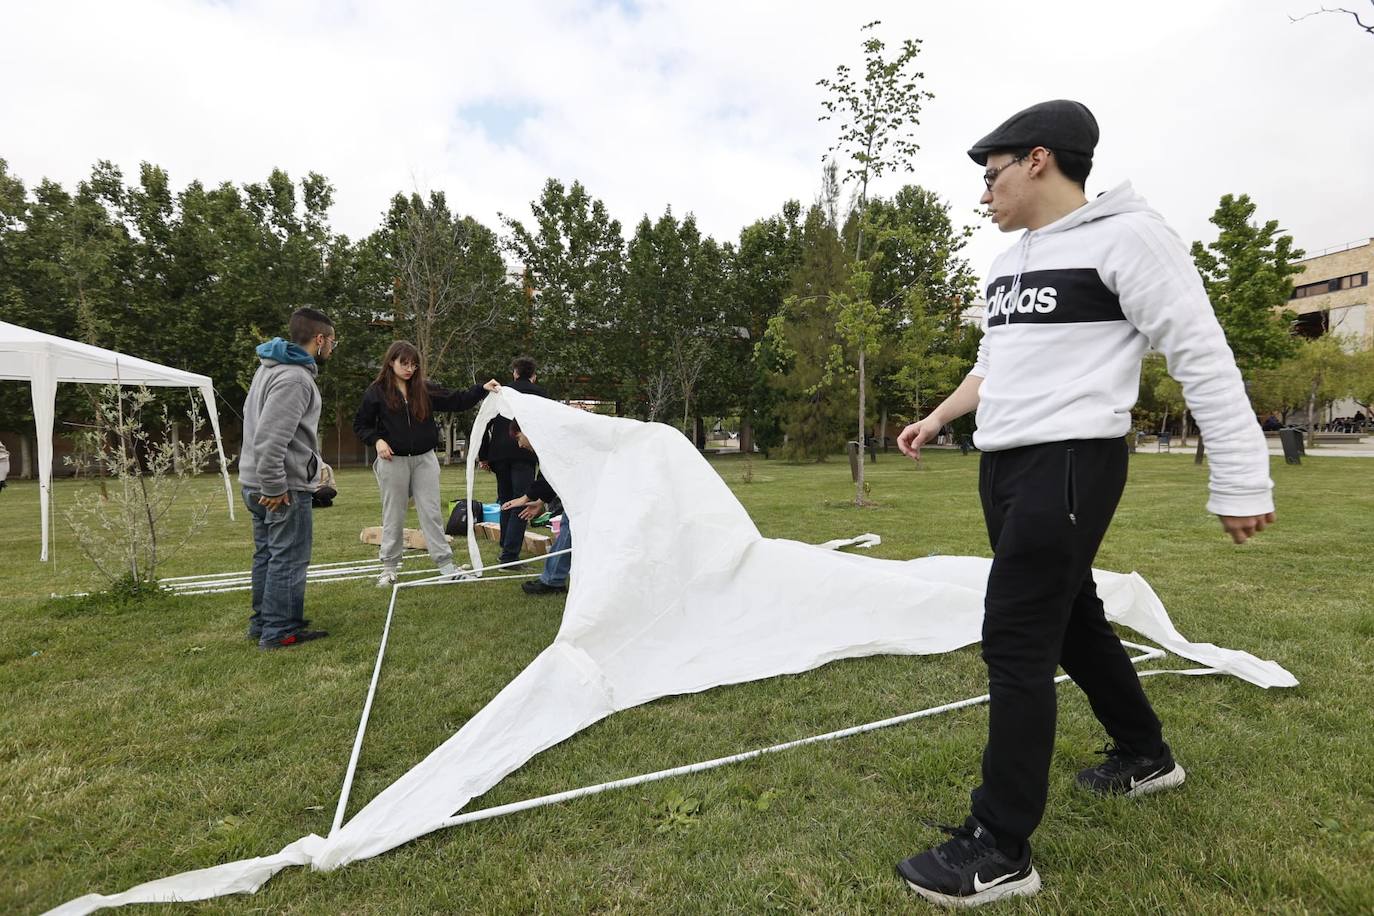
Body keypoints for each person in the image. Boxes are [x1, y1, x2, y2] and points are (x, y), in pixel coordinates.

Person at [892, 100, 1276, 908]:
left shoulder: (1130, 237)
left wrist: (1241, 480)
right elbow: (992, 364)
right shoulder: (1008, 264)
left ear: (1038, 160)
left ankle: (999, 849)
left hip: (1071, 464)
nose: (984, 194)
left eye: (990, 176)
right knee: (1072, 619)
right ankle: (1146, 754)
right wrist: (938, 416)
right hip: (1006, 466)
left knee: (1017, 636)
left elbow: (1202, 354)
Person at [353, 341, 499, 587]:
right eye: (404, 363)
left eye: (413, 364)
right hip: (392, 461)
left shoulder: (425, 389)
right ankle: (388, 568)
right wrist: (377, 440)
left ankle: (446, 566)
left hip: (425, 460)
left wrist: (481, 389)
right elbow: (361, 425)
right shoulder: (376, 392)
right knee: (393, 514)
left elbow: (457, 400)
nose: (410, 369)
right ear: (391, 362)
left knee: (431, 513)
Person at [238, 307, 337, 650]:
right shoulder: (295, 378)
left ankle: (264, 623)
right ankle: (279, 631)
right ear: (320, 339)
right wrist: (276, 487)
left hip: (255, 481)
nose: (331, 350)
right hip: (280, 486)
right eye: (332, 342)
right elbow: (271, 437)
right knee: (288, 557)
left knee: (267, 555)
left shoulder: (270, 369)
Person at [478, 355, 548, 565]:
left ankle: (505, 548)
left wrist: (484, 455)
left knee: (506, 499)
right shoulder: (541, 395)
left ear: (515, 373)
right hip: (524, 453)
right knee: (522, 500)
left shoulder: (501, 392)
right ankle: (509, 554)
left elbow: (484, 423)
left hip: (499, 452)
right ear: (533, 376)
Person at [500, 420, 572, 594]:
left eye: (518, 438)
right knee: (569, 527)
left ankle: (553, 581)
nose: (519, 444)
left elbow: (551, 472)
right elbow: (550, 475)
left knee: (570, 528)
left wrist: (525, 497)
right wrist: (539, 501)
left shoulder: (556, 442)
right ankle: (554, 580)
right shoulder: (554, 442)